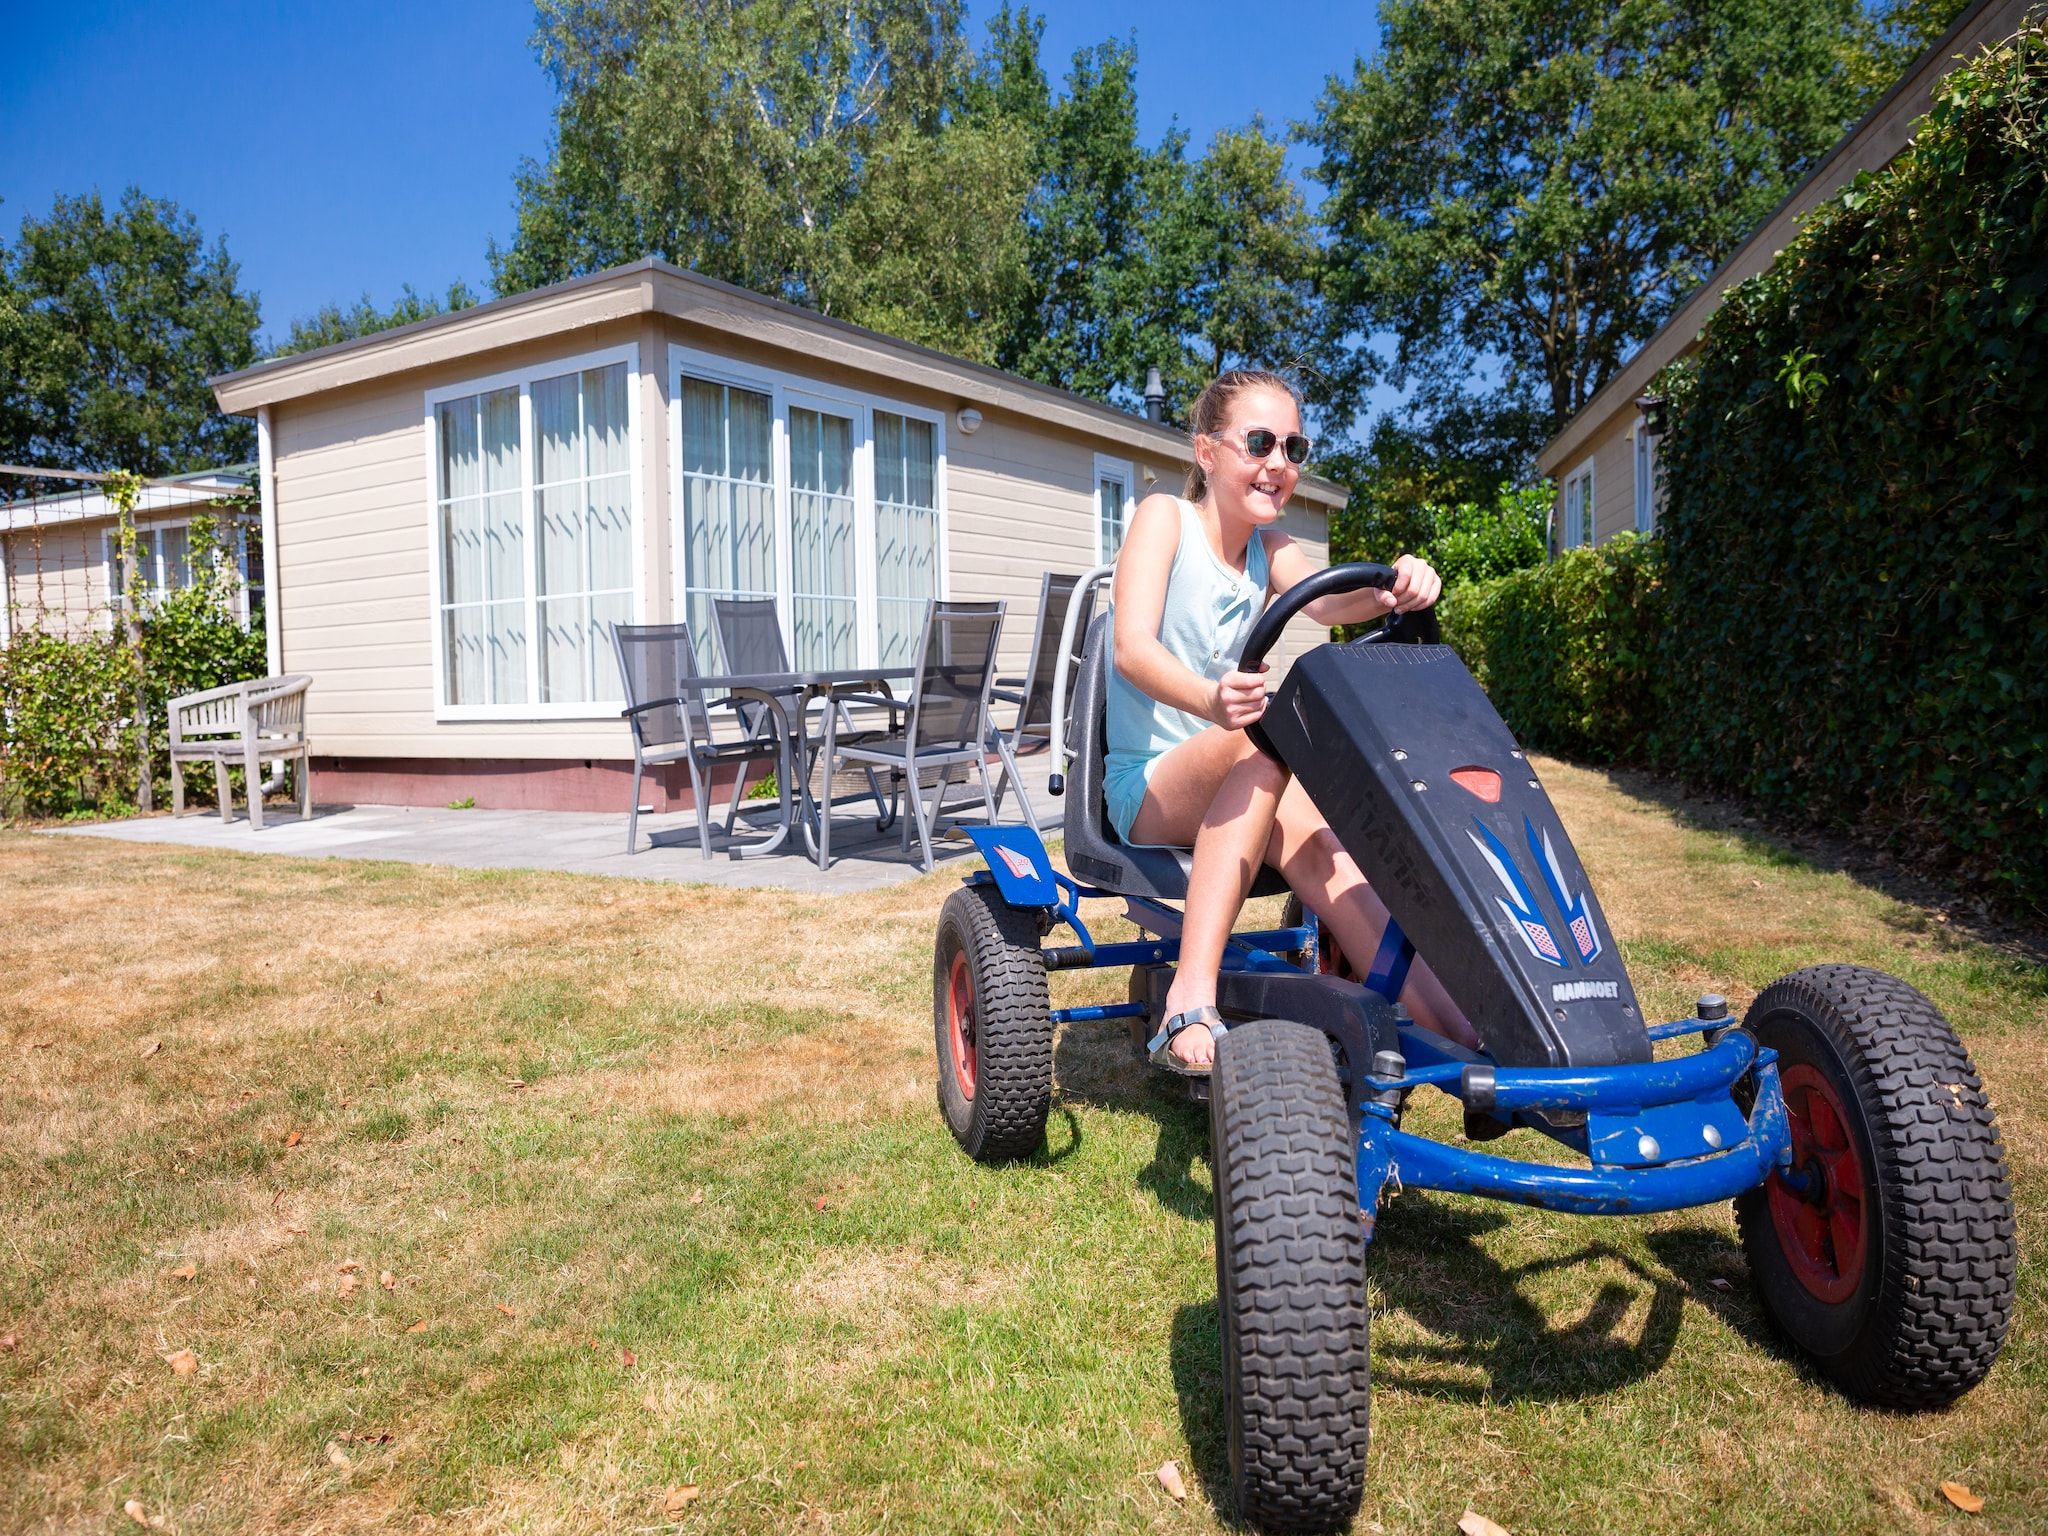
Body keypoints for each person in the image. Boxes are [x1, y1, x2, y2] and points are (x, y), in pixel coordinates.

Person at [1105, 368, 1480, 1072]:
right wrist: (1213, 702)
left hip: (1245, 768)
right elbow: (1131, 649)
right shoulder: (1165, 518)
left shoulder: (1271, 550)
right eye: (1258, 442)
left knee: (1327, 850)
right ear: (1207, 452)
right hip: (1150, 784)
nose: (1278, 463)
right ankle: (1189, 996)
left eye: (1293, 447)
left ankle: (1467, 1039)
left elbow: (1332, 605)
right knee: (1269, 739)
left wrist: (1399, 584)